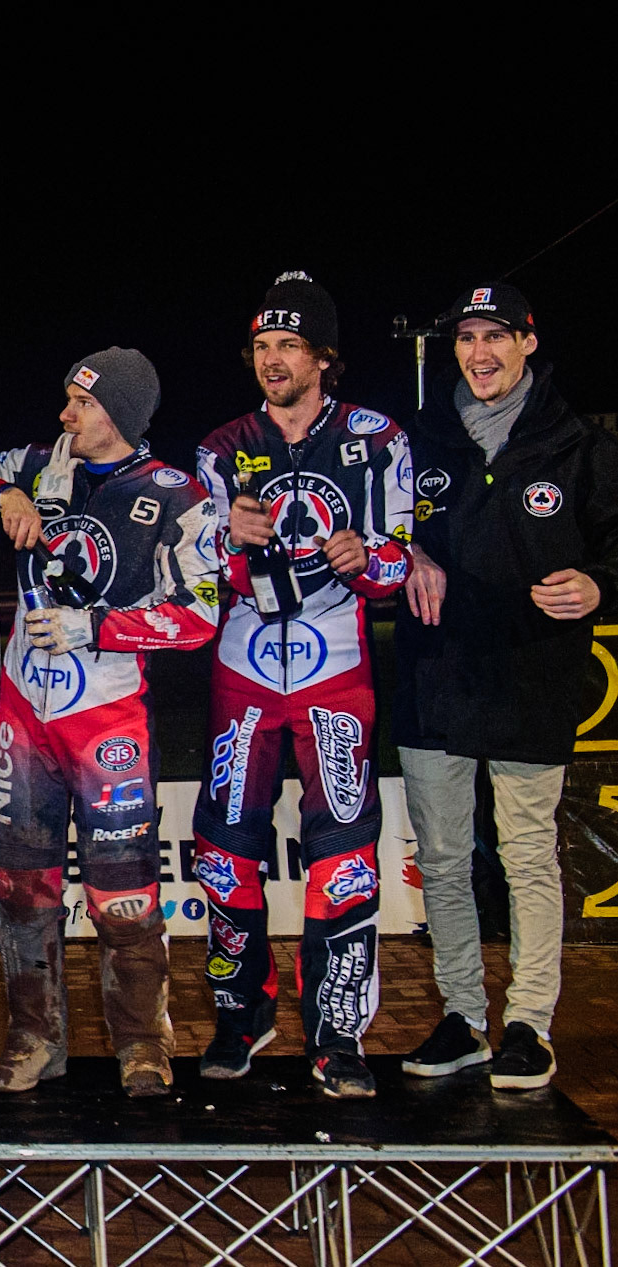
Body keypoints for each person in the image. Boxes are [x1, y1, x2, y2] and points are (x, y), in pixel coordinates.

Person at [0, 348, 219, 1097]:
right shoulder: (37, 462)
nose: (64, 415)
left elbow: (200, 614)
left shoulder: (176, 494)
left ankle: (142, 1042)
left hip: (107, 714)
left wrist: (98, 626)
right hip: (24, 709)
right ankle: (33, 1036)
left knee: (124, 892)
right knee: (21, 884)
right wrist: (2, 496)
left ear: (117, 412)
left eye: (78, 404)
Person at [189, 273, 412, 1098]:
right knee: (222, 852)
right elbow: (192, 565)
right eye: (261, 346)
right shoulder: (218, 446)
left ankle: (337, 1030)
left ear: (322, 356)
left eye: (288, 345)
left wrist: (367, 556)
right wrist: (222, 537)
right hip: (241, 671)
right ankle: (242, 1008)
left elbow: (401, 556)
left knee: (344, 855)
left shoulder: (376, 439)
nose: (272, 359)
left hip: (336, 669)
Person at [395, 284, 618, 1091]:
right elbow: (379, 538)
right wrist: (405, 557)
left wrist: (598, 586)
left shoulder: (579, 447)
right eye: (465, 339)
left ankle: (528, 1022)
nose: (478, 353)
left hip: (532, 677)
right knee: (446, 860)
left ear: (527, 341)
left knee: (526, 857)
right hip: (434, 682)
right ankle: (462, 1015)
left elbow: (612, 555)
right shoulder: (417, 441)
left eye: (494, 336)